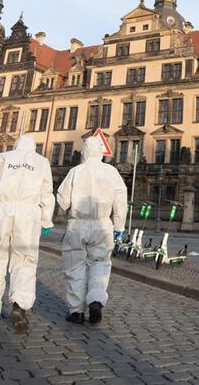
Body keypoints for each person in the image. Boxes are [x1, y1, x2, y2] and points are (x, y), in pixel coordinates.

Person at [0, 134, 55, 331]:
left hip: (0, 210)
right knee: (25, 260)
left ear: (16, 145)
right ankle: (19, 305)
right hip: (29, 213)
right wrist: (46, 219)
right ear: (34, 148)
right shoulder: (41, 162)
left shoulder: (3, 158)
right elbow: (47, 193)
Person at [56, 136, 127, 325]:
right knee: (100, 264)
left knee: (75, 266)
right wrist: (119, 226)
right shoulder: (111, 172)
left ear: (85, 152)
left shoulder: (75, 171)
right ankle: (96, 299)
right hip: (103, 224)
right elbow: (121, 202)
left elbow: (62, 200)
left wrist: (66, 208)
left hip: (78, 224)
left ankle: (76, 311)